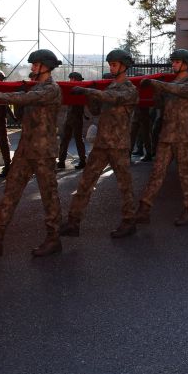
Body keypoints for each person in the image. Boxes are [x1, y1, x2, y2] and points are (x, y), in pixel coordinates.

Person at [0, 49, 64, 258]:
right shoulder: (36, 87)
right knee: (10, 192)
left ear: (46, 66)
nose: (32, 68)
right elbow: (23, 110)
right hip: (25, 149)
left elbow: (25, 98)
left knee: (49, 196)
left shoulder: (51, 89)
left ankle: (53, 239)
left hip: (43, 151)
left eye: (36, 65)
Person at [61, 49, 139, 238]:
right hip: (102, 144)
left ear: (124, 66)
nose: (111, 68)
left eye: (114, 65)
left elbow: (113, 98)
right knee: (85, 182)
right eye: (110, 65)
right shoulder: (109, 87)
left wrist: (89, 90)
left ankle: (129, 222)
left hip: (118, 145)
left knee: (125, 186)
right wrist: (89, 97)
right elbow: (96, 110)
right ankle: (73, 222)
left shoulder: (129, 89)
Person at [135, 49, 188, 226]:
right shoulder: (169, 85)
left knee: (185, 174)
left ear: (186, 64)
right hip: (167, 136)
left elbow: (177, 90)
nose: (173, 64)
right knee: (157, 172)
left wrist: (156, 83)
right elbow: (159, 105)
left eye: (177, 62)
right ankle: (144, 209)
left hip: (183, 137)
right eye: (173, 62)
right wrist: (157, 92)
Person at [57, 71, 86, 170]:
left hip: (76, 117)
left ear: (74, 79)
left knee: (76, 140)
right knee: (66, 140)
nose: (69, 80)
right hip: (70, 117)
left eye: (71, 79)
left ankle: (82, 161)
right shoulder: (73, 89)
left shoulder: (80, 89)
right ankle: (62, 161)